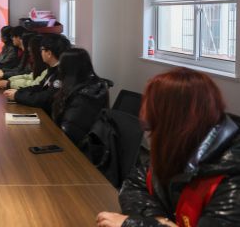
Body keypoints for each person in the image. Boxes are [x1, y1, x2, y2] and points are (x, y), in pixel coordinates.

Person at [96, 68, 240, 227]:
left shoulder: (232, 174)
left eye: (154, 126)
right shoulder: (183, 146)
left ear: (176, 123)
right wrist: (159, 221)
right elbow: (134, 184)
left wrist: (133, 224)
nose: (150, 135)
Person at [51, 48, 109, 146]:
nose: (59, 68)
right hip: (76, 142)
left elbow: (69, 132)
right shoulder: (88, 86)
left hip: (78, 148)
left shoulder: (84, 97)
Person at [3, 34, 70, 115]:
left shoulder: (62, 72)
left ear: (49, 53)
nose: (40, 52)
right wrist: (18, 92)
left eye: (42, 49)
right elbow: (39, 87)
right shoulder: (53, 69)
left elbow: (46, 98)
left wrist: (17, 96)